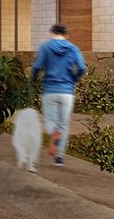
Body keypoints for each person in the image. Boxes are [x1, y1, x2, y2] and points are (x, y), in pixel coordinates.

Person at [31, 23, 87, 167]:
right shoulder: (73, 48)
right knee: (63, 124)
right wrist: (74, 79)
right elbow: (81, 67)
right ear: (66, 35)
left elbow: (37, 66)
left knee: (50, 121)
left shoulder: (46, 47)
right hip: (67, 92)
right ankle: (59, 158)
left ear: (52, 33)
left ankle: (54, 133)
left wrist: (34, 78)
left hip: (50, 90)